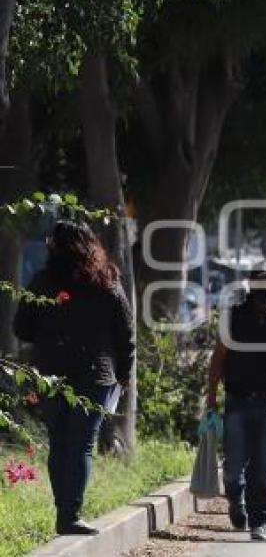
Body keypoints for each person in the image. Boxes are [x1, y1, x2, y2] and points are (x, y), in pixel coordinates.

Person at [14, 221, 134, 535]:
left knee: (60, 443)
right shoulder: (108, 280)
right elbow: (126, 334)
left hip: (50, 373)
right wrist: (124, 373)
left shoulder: (42, 281)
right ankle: (71, 514)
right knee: (81, 444)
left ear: (54, 249)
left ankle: (63, 513)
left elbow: (21, 328)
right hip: (96, 375)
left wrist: (49, 331)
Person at [206, 269, 266, 542]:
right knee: (233, 468)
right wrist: (210, 395)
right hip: (238, 401)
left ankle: (261, 521)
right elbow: (219, 357)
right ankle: (236, 499)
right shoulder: (232, 317)